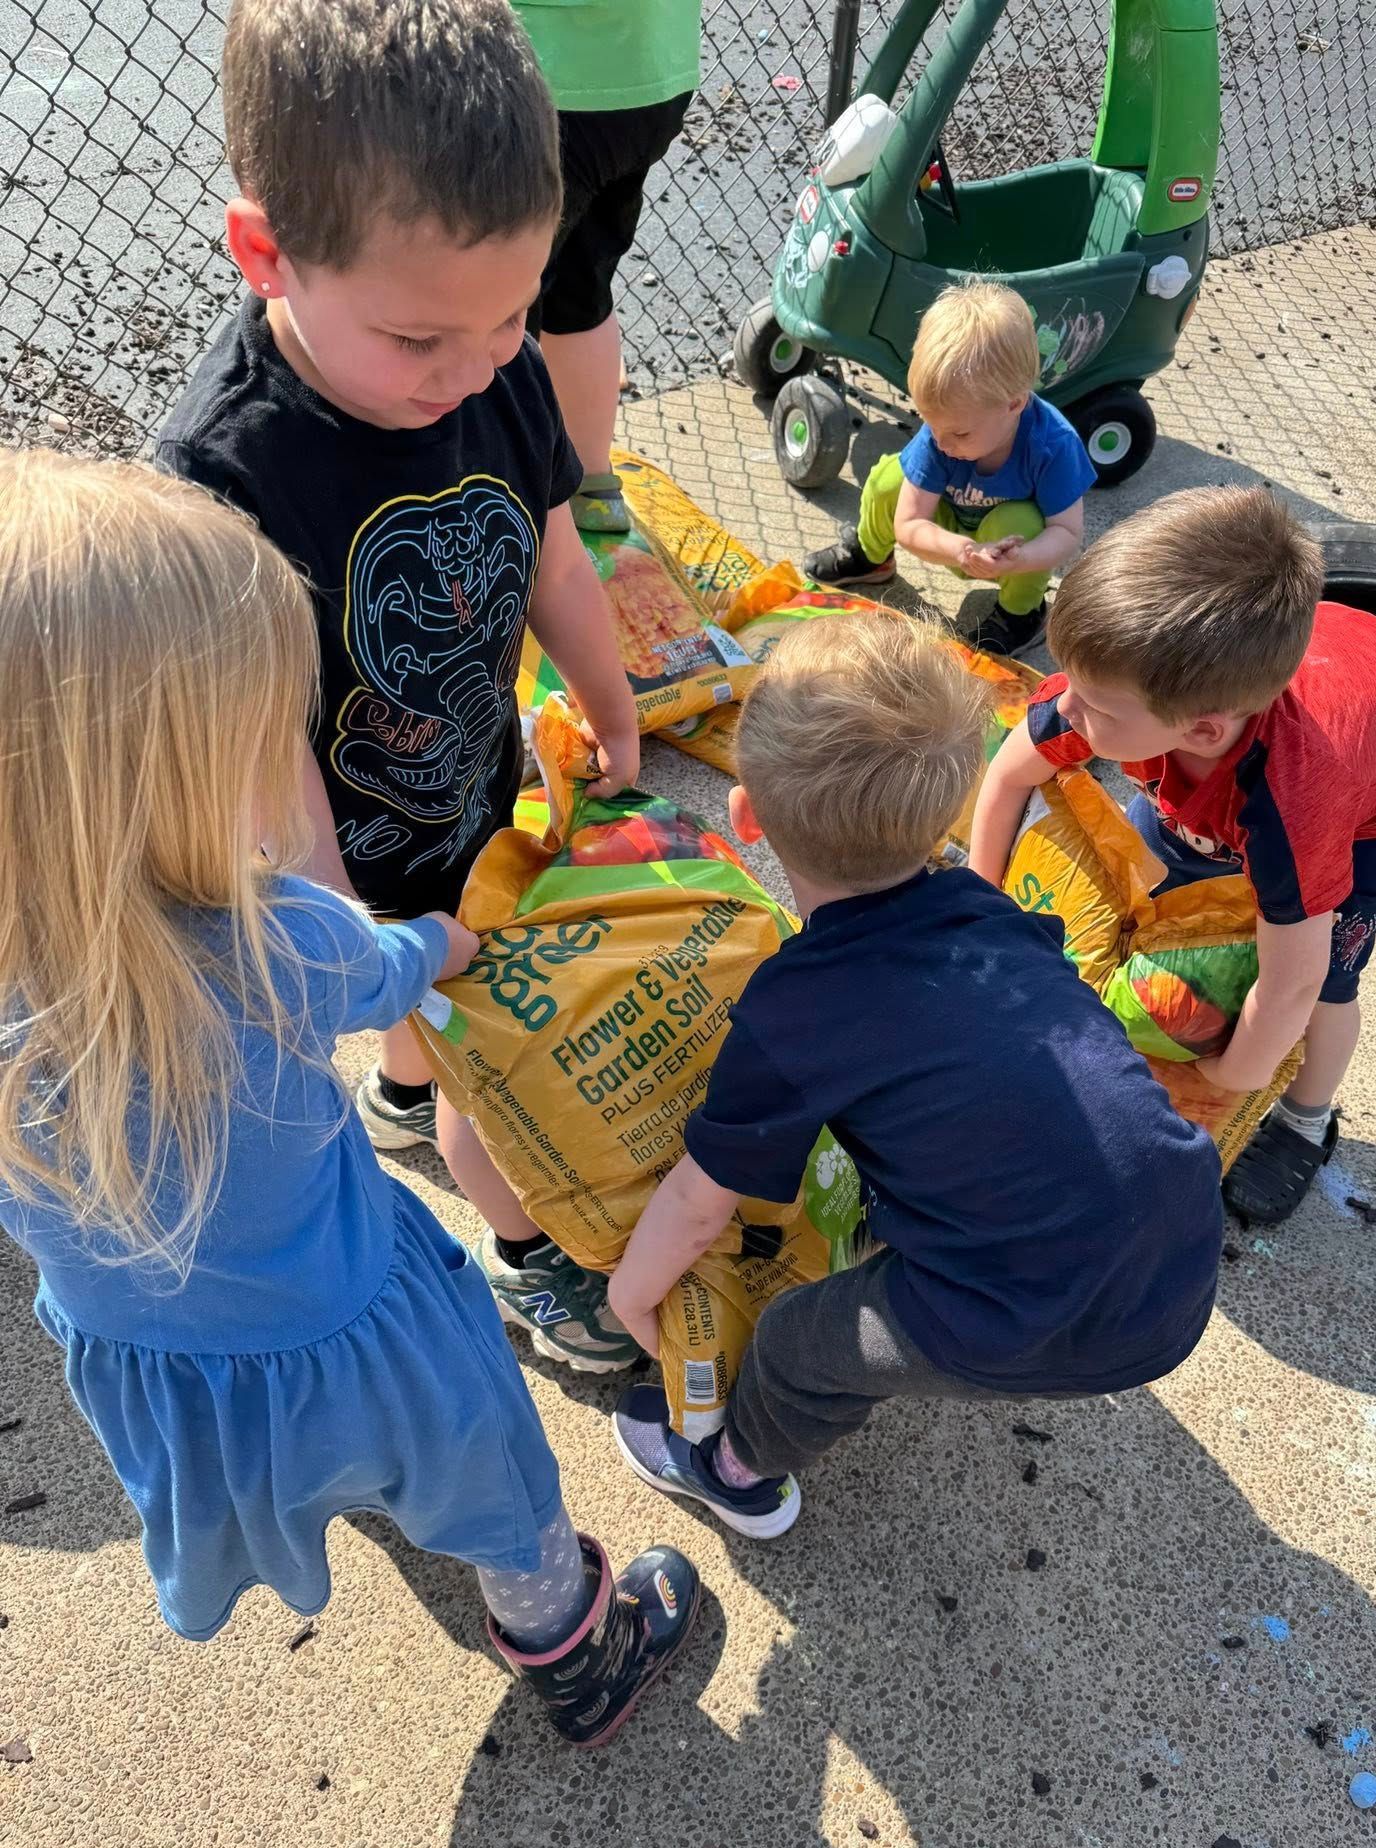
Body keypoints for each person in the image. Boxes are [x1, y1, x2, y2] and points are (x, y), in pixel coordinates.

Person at [0, 451, 698, 1744]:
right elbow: (388, 972)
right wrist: (450, 946)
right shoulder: (276, 947)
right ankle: (572, 1638)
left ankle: (343, 1480)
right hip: (350, 1315)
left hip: (157, 1359)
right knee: (487, 1465)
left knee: (307, 1445)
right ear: (184, 782)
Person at [156, 0, 644, 1370]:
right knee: (468, 1027)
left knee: (441, 1029)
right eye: (421, 341)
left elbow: (549, 548)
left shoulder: (489, 359)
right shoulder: (224, 477)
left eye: (509, 320)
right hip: (343, 853)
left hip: (473, 785)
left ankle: (404, 1093)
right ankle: (530, 1261)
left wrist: (612, 702)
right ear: (269, 252)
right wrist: (350, 942)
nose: (475, 366)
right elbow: (265, 749)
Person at [601, 609, 1224, 1536]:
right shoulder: (988, 908)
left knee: (800, 1343)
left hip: (1035, 1308)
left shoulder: (796, 1007)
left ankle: (734, 1472)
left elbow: (700, 1204)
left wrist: (630, 1293)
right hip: (1180, 1247)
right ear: (952, 810)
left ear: (746, 816)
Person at [968, 486, 1376, 1225]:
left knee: (1332, 987)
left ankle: (1306, 1123)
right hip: (1307, 686)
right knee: (1144, 884)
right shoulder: (1121, 689)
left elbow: (1295, 985)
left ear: (1200, 731)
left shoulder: (1296, 808)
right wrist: (981, 902)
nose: (1064, 706)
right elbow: (1010, 775)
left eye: (1091, 702)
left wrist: (1229, 1073)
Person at [805, 281, 1096, 660]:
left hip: (1007, 547)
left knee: (1026, 524)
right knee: (887, 479)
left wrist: (1021, 559)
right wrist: (961, 550)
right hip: (956, 534)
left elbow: (1067, 532)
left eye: (959, 432)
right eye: (930, 423)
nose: (941, 441)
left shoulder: (1053, 444)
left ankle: (1020, 613)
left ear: (1014, 405)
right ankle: (870, 556)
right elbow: (909, 524)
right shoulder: (945, 433)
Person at [512, 0, 702, 533]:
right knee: (582, 288)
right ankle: (591, 484)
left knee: (502, 304)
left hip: (551, 73)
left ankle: (514, 499)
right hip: (651, 71)